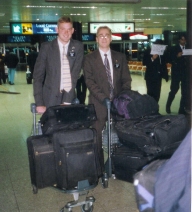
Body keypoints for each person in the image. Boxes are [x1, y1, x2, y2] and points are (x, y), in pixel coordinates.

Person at [83, 26, 132, 170]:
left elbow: (126, 79)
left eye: (107, 35)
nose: (104, 38)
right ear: (97, 39)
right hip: (98, 104)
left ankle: (119, 164)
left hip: (118, 104)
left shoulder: (120, 57)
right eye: (101, 35)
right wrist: (103, 98)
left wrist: (122, 98)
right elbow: (89, 82)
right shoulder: (89, 59)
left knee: (122, 133)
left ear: (111, 38)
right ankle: (98, 167)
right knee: (96, 135)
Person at [33, 16, 84, 114]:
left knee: (69, 128)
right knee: (51, 128)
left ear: (73, 30)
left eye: (69, 29)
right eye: (63, 29)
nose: (66, 32)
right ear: (57, 30)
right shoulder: (46, 47)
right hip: (49, 99)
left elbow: (74, 75)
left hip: (70, 98)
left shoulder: (78, 47)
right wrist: (39, 102)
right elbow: (38, 77)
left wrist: (67, 100)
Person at [166, 35, 187, 114]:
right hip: (176, 72)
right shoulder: (173, 48)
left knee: (184, 92)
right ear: (179, 40)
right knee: (174, 90)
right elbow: (169, 59)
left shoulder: (188, 48)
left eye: (185, 39)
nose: (183, 41)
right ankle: (168, 105)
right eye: (182, 39)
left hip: (185, 73)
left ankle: (181, 109)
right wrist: (177, 56)